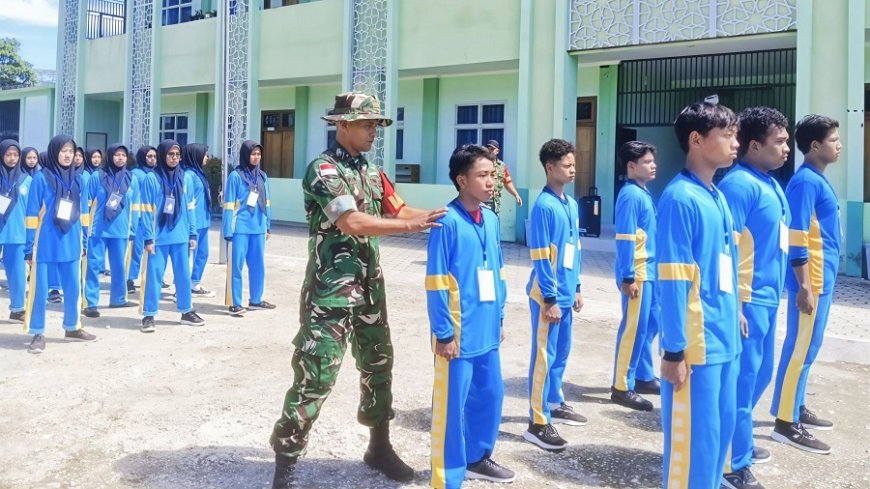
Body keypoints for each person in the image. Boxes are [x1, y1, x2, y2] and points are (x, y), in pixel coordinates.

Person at [269, 92, 447, 489]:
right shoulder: (323, 169)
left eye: (376, 125)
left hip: (369, 291)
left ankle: (379, 447)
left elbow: (399, 210)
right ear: (341, 125)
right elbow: (352, 221)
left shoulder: (372, 171)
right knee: (316, 375)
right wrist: (409, 229)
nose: (373, 132)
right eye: (366, 124)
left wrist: (449, 216)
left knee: (378, 367)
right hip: (330, 295)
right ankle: (286, 460)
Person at [658, 101, 741, 488]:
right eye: (726, 135)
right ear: (696, 139)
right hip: (697, 346)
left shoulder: (717, 195)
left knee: (716, 440)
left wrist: (736, 309)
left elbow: (724, 262)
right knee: (692, 447)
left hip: (725, 338)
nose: (735, 143)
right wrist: (674, 351)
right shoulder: (679, 199)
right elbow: (673, 281)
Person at [426, 144, 514, 488]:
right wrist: (444, 333)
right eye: (483, 175)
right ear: (462, 180)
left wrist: (501, 316)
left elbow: (499, 271)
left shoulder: (491, 219)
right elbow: (435, 282)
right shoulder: (445, 222)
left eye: (493, 174)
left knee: (491, 394)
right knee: (450, 408)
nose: (491, 182)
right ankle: (447, 477)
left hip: (487, 329)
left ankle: (478, 457)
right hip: (457, 337)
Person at [716, 107, 791, 488]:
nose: (786, 148)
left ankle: (737, 441)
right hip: (747, 302)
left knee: (759, 375)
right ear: (754, 145)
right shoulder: (739, 186)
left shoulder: (771, 183)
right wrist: (738, 304)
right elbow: (727, 249)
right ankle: (731, 463)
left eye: (787, 140)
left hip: (767, 298)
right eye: (779, 141)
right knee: (741, 383)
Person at [770, 114, 842, 455]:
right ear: (815, 146)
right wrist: (804, 284)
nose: (839, 145)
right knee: (799, 347)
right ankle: (785, 423)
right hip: (810, 279)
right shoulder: (805, 183)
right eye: (833, 140)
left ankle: (795, 405)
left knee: (810, 347)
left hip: (822, 278)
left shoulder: (817, 179)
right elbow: (797, 234)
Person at [524, 138, 586, 452]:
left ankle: (554, 400)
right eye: (566, 165)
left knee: (561, 354)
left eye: (574, 164)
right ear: (550, 168)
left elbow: (573, 251)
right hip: (547, 298)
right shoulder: (544, 206)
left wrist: (575, 288)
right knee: (544, 359)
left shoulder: (571, 204)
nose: (573, 170)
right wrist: (549, 298)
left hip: (565, 294)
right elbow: (540, 256)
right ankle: (537, 421)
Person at [24, 134, 97, 354]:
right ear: (55, 152)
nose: (68, 155)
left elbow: (84, 214)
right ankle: (37, 332)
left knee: (74, 289)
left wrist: (84, 240)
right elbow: (31, 216)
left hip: (72, 243)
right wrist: (29, 248)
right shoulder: (41, 178)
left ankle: (73, 327)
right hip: (45, 244)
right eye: (63, 151)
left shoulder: (79, 179)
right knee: (39, 291)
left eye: (71, 151)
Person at [611, 140, 660, 412]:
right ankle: (621, 385)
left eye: (653, 161)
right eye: (647, 162)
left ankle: (643, 376)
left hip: (650, 271)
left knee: (650, 324)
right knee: (634, 328)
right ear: (631, 166)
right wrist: (627, 276)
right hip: (638, 273)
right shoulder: (630, 195)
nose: (654, 166)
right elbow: (626, 238)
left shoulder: (643, 193)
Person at [137, 140, 206, 333]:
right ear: (162, 155)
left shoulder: (186, 178)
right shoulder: (152, 178)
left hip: (181, 236)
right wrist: (148, 238)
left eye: (177, 154)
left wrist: (192, 233)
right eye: (170, 154)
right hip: (158, 238)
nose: (174, 158)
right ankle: (148, 314)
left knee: (183, 275)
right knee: (154, 276)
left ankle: (186, 311)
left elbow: (190, 208)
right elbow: (146, 211)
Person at [82, 144, 140, 316]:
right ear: (110, 156)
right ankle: (90, 303)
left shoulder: (132, 178)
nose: (120, 158)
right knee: (93, 266)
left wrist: (133, 229)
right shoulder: (97, 176)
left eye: (123, 155)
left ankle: (118, 299)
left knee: (119, 266)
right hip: (98, 229)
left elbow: (135, 207)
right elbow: (85, 203)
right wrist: (85, 229)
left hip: (121, 230)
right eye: (117, 155)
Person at [222, 140, 274, 315]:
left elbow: (266, 202)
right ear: (246, 155)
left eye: (259, 154)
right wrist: (227, 230)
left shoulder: (263, 176)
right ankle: (235, 303)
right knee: (236, 266)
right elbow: (228, 204)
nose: (256, 157)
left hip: (258, 228)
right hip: (240, 228)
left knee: (258, 265)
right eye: (253, 154)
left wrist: (267, 225)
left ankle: (256, 299)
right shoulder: (235, 176)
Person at [0, 140, 31, 322]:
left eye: (15, 155)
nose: (12, 158)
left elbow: (32, 210)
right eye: (8, 155)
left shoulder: (27, 180)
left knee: (18, 272)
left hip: (17, 233)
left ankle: (18, 308)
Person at [181, 143, 215, 298]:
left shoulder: (198, 173)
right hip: (193, 222)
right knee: (185, 256)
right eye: (205, 154)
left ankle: (195, 283)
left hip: (203, 220)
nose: (207, 157)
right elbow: (187, 201)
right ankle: (181, 287)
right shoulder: (188, 175)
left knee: (203, 253)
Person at [126, 145, 157, 294]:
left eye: (154, 157)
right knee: (136, 250)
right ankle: (129, 279)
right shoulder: (135, 174)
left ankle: (154, 277)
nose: (152, 159)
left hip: (152, 217)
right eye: (149, 156)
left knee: (153, 249)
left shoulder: (157, 174)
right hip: (138, 217)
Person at [483, 140, 522, 215]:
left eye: (492, 149)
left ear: (497, 151)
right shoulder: (481, 164)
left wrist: (516, 195)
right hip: (482, 202)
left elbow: (507, 182)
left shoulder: (502, 166)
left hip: (495, 203)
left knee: (494, 225)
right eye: (488, 148)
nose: (489, 150)